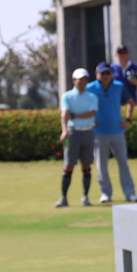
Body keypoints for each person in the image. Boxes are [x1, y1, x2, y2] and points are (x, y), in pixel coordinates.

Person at [87, 62, 137, 203]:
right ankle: (105, 193)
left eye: (108, 73)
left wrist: (127, 119)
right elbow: (82, 106)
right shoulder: (89, 88)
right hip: (99, 133)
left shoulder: (119, 86)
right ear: (96, 74)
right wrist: (89, 120)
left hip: (117, 131)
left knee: (123, 163)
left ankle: (130, 193)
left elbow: (131, 102)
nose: (105, 76)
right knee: (101, 165)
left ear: (112, 74)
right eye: (102, 73)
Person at [56, 68, 98, 208]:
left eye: (85, 79)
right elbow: (65, 114)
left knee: (86, 166)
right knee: (68, 166)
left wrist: (74, 115)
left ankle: (85, 197)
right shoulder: (67, 96)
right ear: (74, 80)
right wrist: (64, 130)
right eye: (80, 79)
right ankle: (63, 198)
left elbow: (91, 113)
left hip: (87, 132)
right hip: (72, 132)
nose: (83, 82)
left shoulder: (92, 97)